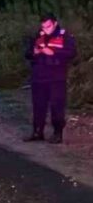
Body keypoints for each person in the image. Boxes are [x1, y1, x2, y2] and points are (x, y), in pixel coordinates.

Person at [24, 13, 78, 144]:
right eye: (43, 26)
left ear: (54, 23)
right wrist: (34, 52)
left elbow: (72, 53)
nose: (45, 29)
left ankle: (57, 133)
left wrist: (54, 52)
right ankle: (37, 132)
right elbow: (27, 54)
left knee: (57, 106)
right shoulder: (38, 35)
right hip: (39, 76)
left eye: (48, 26)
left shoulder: (64, 36)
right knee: (38, 106)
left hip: (56, 77)